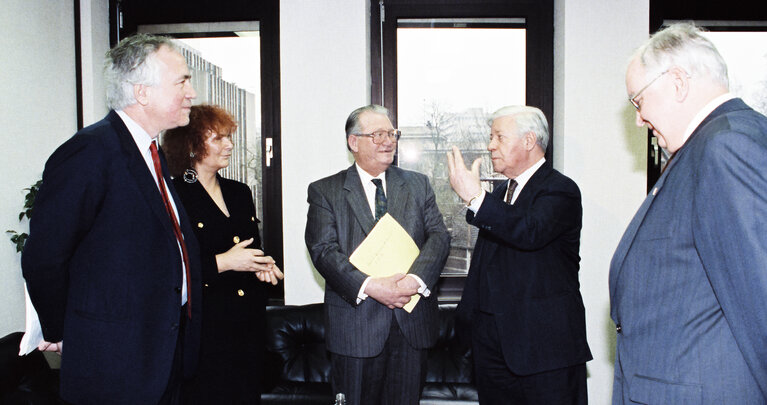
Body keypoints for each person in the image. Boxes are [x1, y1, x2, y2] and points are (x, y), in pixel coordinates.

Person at [21, 34, 201, 404]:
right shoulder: (90, 151)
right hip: (113, 365)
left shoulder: (152, 153)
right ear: (143, 92)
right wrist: (63, 330)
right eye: (182, 81)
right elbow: (45, 257)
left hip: (161, 355)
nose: (192, 92)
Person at [611, 22, 767, 403]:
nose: (638, 119)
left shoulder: (725, 146)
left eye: (638, 101)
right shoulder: (712, 143)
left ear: (677, 82)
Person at [305, 104, 450, 404]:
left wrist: (415, 280)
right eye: (378, 134)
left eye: (392, 133)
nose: (389, 141)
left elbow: (438, 236)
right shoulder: (325, 191)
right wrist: (372, 286)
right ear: (353, 142)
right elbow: (323, 250)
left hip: (412, 326)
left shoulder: (417, 184)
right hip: (355, 329)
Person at [447, 105, 592, 404]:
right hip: (493, 351)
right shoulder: (499, 195)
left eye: (499, 137)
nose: (490, 146)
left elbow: (529, 231)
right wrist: (467, 331)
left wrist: (475, 197)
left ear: (529, 141)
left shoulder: (560, 190)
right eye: (491, 137)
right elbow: (484, 268)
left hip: (545, 353)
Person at [162, 104, 283, 404]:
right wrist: (223, 262)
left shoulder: (240, 192)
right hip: (203, 334)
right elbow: (166, 270)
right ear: (190, 145)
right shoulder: (172, 195)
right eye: (218, 138)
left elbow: (250, 248)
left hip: (247, 329)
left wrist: (262, 265)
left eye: (229, 137)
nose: (229, 144)